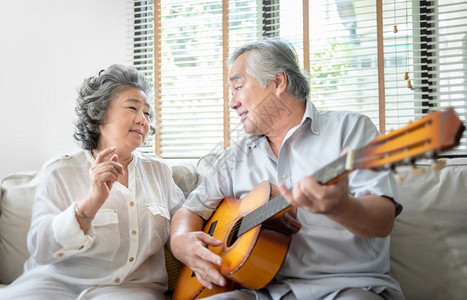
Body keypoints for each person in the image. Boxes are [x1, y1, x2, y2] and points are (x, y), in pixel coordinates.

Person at [170, 38, 404, 299]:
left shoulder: (351, 129)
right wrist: (180, 242)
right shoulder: (234, 156)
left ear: (278, 82)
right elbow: (190, 210)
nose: (232, 102)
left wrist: (342, 207)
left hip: (347, 287)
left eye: (237, 87)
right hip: (261, 290)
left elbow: (383, 221)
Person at [0, 64, 184, 299]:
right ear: (99, 114)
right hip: (53, 285)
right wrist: (91, 203)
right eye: (132, 108)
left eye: (147, 113)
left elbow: (185, 223)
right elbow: (42, 249)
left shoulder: (159, 172)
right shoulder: (59, 172)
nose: (143, 120)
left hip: (129, 290)